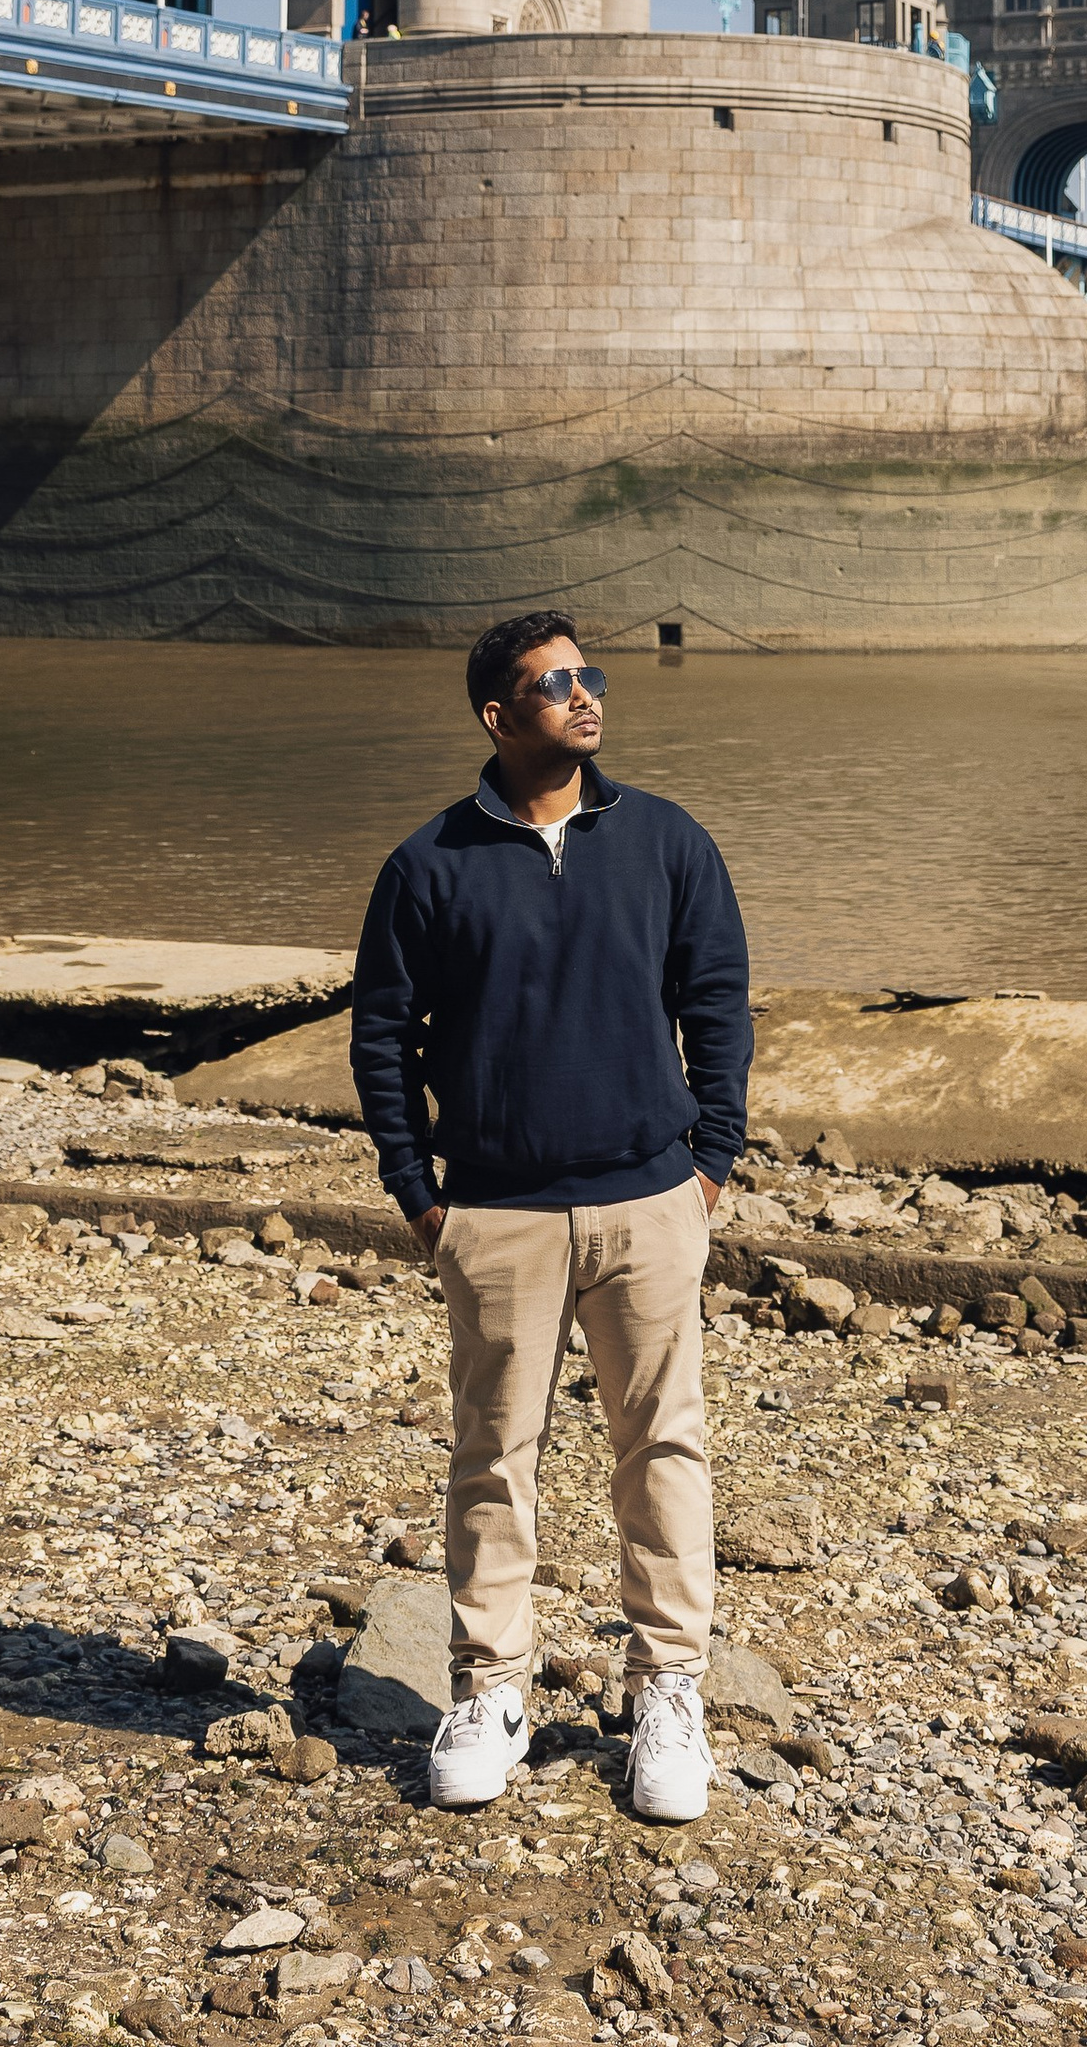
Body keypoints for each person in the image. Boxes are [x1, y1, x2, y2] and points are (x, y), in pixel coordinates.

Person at [350, 608, 752, 1824]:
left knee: (663, 1450)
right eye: (553, 683)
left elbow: (719, 1002)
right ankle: (487, 1693)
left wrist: (711, 1161)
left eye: (590, 676)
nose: (585, 696)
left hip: (648, 1198)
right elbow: (381, 1040)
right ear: (496, 714)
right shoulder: (429, 865)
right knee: (492, 1460)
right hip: (499, 1215)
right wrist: (421, 1198)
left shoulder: (668, 841)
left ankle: (668, 1695)